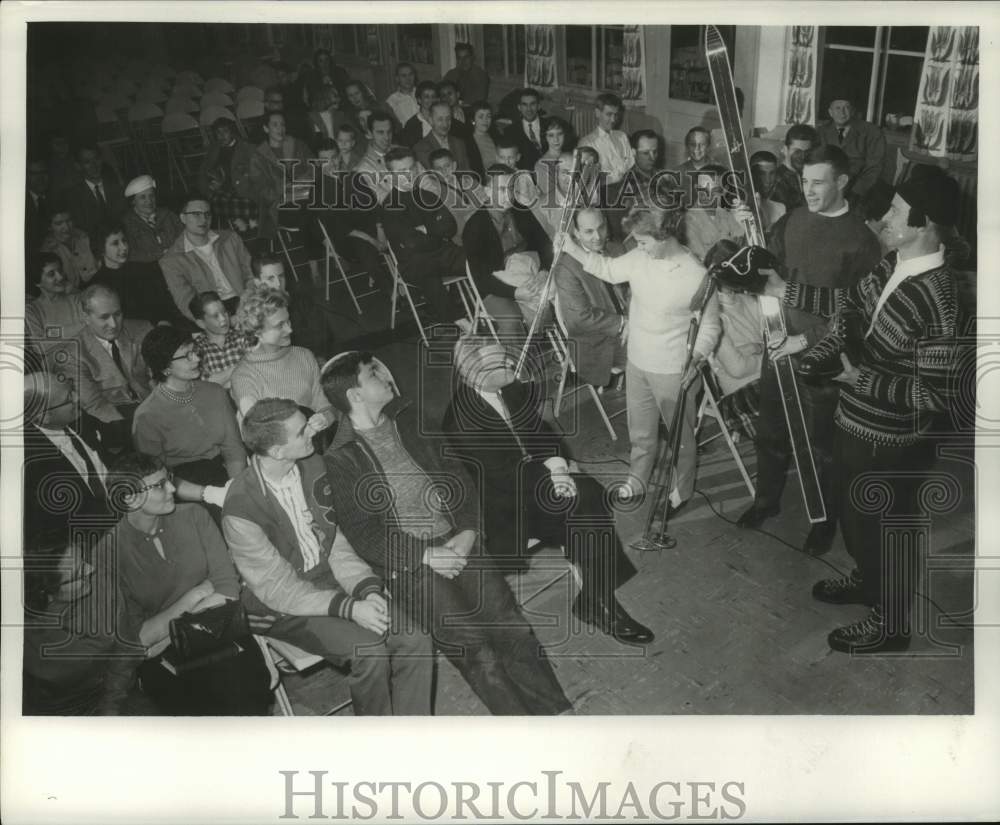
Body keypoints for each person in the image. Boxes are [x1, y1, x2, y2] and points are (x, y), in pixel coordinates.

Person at [760, 168, 967, 653]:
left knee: (884, 531)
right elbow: (847, 302)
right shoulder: (892, 264)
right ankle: (867, 583)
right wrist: (782, 289)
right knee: (856, 518)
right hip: (854, 423)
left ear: (924, 222)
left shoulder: (941, 299)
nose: (883, 218)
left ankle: (890, 625)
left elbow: (936, 394)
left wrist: (861, 379)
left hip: (890, 440)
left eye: (895, 211)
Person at [320, 353, 573, 715]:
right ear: (355, 396)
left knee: (511, 628)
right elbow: (363, 533)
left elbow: (456, 473)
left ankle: (559, 713)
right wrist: (423, 555)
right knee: (473, 650)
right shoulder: (341, 457)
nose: (386, 373)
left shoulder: (409, 419)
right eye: (373, 373)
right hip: (410, 564)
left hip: (457, 537)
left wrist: (470, 528)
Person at [222, 397, 433, 714]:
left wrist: (367, 589)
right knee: (370, 651)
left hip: (328, 581)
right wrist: (350, 608)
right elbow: (278, 588)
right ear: (277, 452)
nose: (311, 430)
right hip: (280, 604)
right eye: (301, 431)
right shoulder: (240, 507)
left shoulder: (312, 465)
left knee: (415, 641)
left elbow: (334, 541)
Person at [443, 336, 652, 643]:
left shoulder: (509, 389)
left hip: (534, 485)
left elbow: (543, 433)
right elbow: (503, 477)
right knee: (587, 502)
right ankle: (597, 601)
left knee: (586, 501)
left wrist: (559, 464)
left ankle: (597, 599)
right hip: (507, 508)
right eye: (501, 362)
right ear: (476, 374)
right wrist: (554, 475)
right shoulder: (460, 420)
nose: (512, 363)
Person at [738, 145, 882, 556]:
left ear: (843, 182)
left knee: (821, 448)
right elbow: (771, 269)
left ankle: (823, 520)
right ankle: (766, 501)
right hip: (777, 344)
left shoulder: (862, 241)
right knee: (771, 433)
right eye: (804, 181)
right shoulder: (795, 218)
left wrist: (806, 340)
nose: (810, 189)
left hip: (823, 359)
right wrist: (750, 231)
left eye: (819, 182)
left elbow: (858, 313)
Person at [559, 207, 721, 506]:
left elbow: (711, 325)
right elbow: (607, 269)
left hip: (673, 369)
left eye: (644, 242)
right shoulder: (640, 256)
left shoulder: (696, 275)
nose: (639, 248)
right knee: (641, 432)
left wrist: (697, 357)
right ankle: (637, 478)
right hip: (637, 361)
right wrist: (570, 248)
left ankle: (681, 490)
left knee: (680, 437)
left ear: (664, 237)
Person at [106, 452, 273, 715]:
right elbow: (137, 640)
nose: (173, 488)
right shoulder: (108, 553)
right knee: (190, 708)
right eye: (160, 485)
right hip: (169, 660)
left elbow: (227, 590)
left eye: (169, 479)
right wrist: (195, 594)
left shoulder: (194, 516)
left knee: (244, 687)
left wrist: (164, 633)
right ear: (129, 497)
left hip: (220, 631)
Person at [22, 528, 142, 715]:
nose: (91, 569)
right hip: (57, 708)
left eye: (84, 559)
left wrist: (111, 707)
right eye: (80, 573)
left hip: (116, 692)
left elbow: (125, 652)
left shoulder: (102, 584)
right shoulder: (28, 637)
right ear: (47, 594)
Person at [133, 324, 246, 509]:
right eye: (187, 356)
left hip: (228, 473)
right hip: (185, 487)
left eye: (195, 351)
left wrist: (237, 486)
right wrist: (209, 494)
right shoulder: (147, 416)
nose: (196, 359)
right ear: (165, 367)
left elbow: (233, 447)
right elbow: (158, 477)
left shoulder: (215, 392)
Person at [230, 286, 338, 432]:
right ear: (257, 331)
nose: (289, 330)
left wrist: (326, 417)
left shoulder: (304, 355)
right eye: (280, 325)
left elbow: (326, 405)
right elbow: (260, 433)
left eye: (288, 321)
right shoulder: (243, 376)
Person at [378, 147, 467, 326]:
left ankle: (492, 307)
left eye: (411, 168)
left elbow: (450, 226)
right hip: (413, 263)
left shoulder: (426, 195)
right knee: (428, 274)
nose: (409, 175)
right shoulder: (390, 206)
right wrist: (435, 231)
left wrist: (426, 229)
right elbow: (412, 243)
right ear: (391, 175)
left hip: (441, 253)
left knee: (477, 260)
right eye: (401, 172)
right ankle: (464, 324)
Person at [23, 371, 113, 542]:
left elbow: (116, 436)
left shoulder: (78, 419)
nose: (77, 398)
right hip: (90, 539)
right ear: (43, 415)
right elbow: (48, 529)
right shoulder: (30, 465)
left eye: (72, 390)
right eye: (69, 398)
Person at [63, 284, 152, 454]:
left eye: (117, 314)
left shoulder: (143, 330)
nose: (113, 324)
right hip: (118, 423)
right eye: (104, 317)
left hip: (156, 406)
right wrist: (136, 428)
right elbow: (94, 405)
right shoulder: (73, 354)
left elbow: (159, 375)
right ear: (85, 317)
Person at [461, 166, 545, 339]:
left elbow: (544, 245)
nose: (508, 195)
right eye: (500, 189)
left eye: (512, 189)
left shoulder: (521, 211)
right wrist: (514, 293)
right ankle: (514, 364)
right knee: (511, 320)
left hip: (531, 271)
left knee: (568, 293)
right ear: (486, 191)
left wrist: (544, 271)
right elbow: (481, 278)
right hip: (497, 286)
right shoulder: (475, 227)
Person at [552, 207, 627, 389]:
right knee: (662, 350)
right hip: (599, 345)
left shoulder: (616, 248)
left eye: (601, 228)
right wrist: (624, 322)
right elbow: (579, 320)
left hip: (630, 329)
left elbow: (634, 291)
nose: (598, 237)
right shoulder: (566, 267)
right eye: (588, 231)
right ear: (576, 233)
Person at [159, 195, 254, 321]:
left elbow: (251, 273)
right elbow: (186, 302)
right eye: (196, 214)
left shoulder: (230, 239)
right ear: (183, 218)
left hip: (244, 300)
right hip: (211, 313)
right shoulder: (171, 260)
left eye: (207, 214)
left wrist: (250, 301)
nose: (203, 219)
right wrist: (218, 320)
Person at [90, 225, 179, 326]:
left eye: (124, 240)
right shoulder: (97, 285)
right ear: (101, 249)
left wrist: (163, 321)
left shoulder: (143, 269)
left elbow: (165, 303)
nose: (124, 247)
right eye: (115, 243)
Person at [816, 98, 888, 200]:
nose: (842, 112)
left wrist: (857, 191)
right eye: (838, 108)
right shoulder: (821, 131)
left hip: (860, 189)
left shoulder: (872, 131)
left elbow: (875, 167)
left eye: (847, 107)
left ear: (853, 111)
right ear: (830, 112)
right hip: (828, 187)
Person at [25, 253, 85, 372]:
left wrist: (51, 335)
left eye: (60, 271)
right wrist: (81, 325)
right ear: (38, 282)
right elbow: (39, 347)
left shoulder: (76, 299)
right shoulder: (32, 311)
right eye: (51, 274)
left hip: (86, 358)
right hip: (57, 368)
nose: (60, 277)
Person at [197, 117, 257, 230]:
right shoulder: (214, 150)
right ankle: (244, 219)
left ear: (232, 132)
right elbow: (203, 173)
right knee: (210, 202)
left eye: (225, 131)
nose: (222, 136)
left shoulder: (247, 148)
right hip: (223, 191)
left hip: (245, 190)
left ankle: (245, 218)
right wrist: (209, 189)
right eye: (218, 133)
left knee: (244, 203)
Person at [681, 165, 747, 263]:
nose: (706, 195)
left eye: (714, 190)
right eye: (702, 189)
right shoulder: (688, 222)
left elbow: (745, 252)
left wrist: (745, 225)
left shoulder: (729, 215)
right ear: (696, 188)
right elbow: (704, 263)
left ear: (724, 191)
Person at [189, 290, 254, 387]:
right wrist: (241, 364)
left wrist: (221, 380)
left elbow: (256, 369)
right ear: (201, 323)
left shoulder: (241, 336)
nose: (223, 318)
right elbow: (205, 386)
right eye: (215, 316)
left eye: (224, 312)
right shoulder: (197, 347)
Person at [63, 143, 124, 237]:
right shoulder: (72, 196)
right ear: (78, 166)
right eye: (87, 162)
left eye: (96, 159)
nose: (94, 165)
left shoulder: (118, 186)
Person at [120, 175, 183, 263]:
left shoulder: (168, 215)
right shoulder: (127, 224)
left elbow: (185, 237)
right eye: (143, 197)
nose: (149, 201)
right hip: (149, 270)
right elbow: (130, 254)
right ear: (133, 201)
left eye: (151, 196)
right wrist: (160, 254)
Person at [579, 93, 635, 187]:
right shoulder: (587, 143)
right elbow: (590, 181)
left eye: (616, 115)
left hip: (627, 187)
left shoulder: (622, 136)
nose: (613, 120)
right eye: (609, 114)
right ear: (597, 113)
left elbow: (632, 166)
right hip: (604, 193)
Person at [40, 205, 97, 290]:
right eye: (59, 223)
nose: (66, 227)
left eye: (68, 221)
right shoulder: (47, 251)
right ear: (50, 227)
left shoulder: (84, 237)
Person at [413, 100, 472, 173]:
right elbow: (434, 178)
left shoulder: (459, 143)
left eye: (448, 119)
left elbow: (468, 174)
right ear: (430, 120)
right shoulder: (420, 148)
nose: (445, 124)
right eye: (440, 119)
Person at [771, 123, 819, 211]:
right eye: (797, 151)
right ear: (785, 150)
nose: (803, 156)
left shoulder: (805, 174)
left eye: (807, 152)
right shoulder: (776, 180)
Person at [534, 116, 575, 199]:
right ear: (545, 137)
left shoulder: (572, 156)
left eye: (559, 134)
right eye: (551, 135)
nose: (556, 139)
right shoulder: (541, 165)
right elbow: (551, 197)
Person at [442, 42, 489, 108]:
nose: (463, 61)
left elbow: (477, 102)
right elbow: (442, 93)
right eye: (459, 58)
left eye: (466, 57)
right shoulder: (451, 74)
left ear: (472, 58)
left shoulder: (480, 75)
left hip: (473, 111)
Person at [749, 150, 787, 230]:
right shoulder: (740, 207)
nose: (768, 180)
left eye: (772, 173)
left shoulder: (780, 208)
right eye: (762, 174)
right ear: (751, 174)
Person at [511, 87, 545, 171]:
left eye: (532, 104)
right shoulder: (510, 131)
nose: (529, 109)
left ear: (539, 106)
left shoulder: (550, 125)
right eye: (524, 105)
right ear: (519, 107)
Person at [26, 156, 52, 258]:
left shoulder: (56, 199)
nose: (40, 178)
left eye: (43, 172)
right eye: (34, 174)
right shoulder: (20, 205)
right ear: (26, 176)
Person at [400, 80, 439, 147]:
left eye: (433, 96)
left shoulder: (442, 119)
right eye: (427, 97)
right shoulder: (411, 124)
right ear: (419, 100)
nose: (431, 100)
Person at [466, 101, 498, 181]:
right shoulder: (467, 142)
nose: (485, 120)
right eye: (481, 117)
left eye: (488, 116)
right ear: (473, 120)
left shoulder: (496, 137)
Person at [384, 62, 419, 131]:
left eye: (410, 74)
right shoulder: (391, 101)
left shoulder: (422, 93)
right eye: (404, 76)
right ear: (397, 78)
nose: (408, 79)